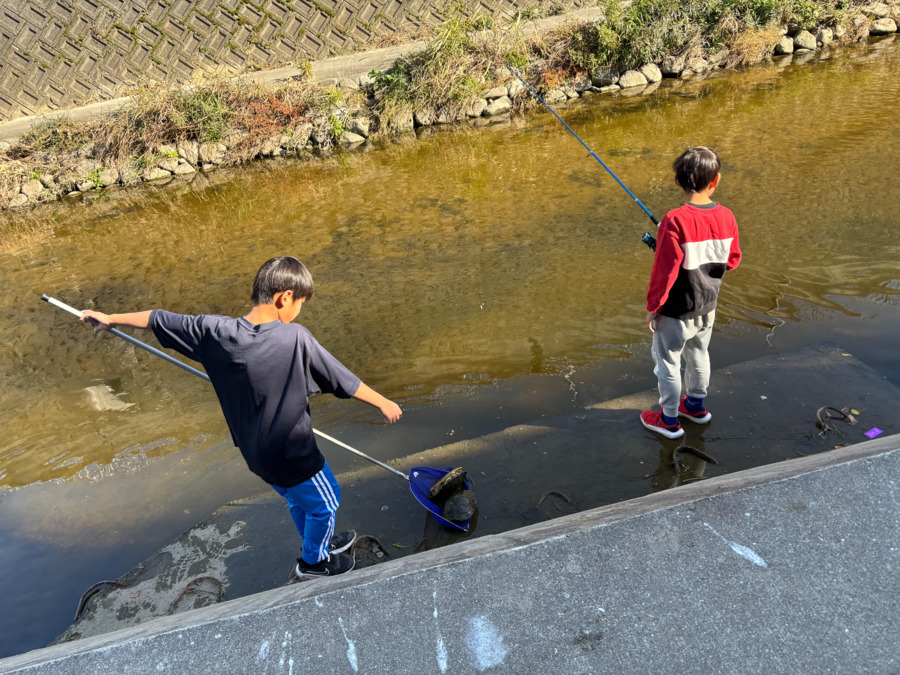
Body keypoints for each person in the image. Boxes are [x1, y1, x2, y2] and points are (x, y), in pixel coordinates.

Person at [81, 256, 402, 578]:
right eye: (301, 303)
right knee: (327, 502)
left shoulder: (213, 331)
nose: (299, 311)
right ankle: (314, 561)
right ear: (285, 297)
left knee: (298, 499)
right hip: (293, 454)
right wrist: (383, 402)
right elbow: (343, 380)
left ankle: (314, 542)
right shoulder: (295, 338)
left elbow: (157, 318)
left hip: (255, 454)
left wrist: (111, 319)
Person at [641, 147, 742, 439]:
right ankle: (695, 407)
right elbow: (732, 261)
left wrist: (653, 307)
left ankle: (669, 420)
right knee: (699, 353)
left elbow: (664, 273)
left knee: (668, 363)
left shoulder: (674, 220)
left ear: (677, 181)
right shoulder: (727, 216)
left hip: (676, 310)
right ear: (716, 180)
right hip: (708, 304)